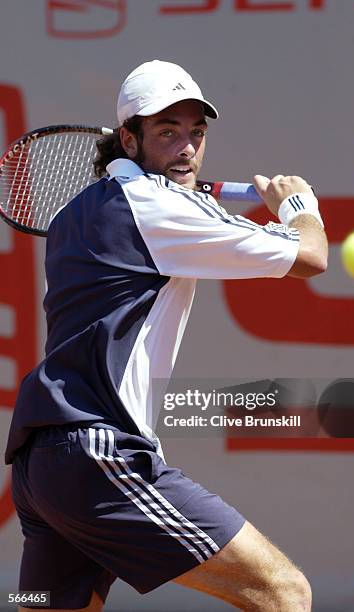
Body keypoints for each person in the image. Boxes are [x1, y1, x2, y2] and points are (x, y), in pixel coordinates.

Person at [6, 60, 327, 612]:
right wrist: (301, 208)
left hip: (42, 469)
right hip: (99, 457)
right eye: (166, 132)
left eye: (196, 134)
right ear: (128, 139)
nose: (186, 148)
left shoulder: (75, 214)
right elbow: (311, 256)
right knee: (283, 593)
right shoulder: (156, 206)